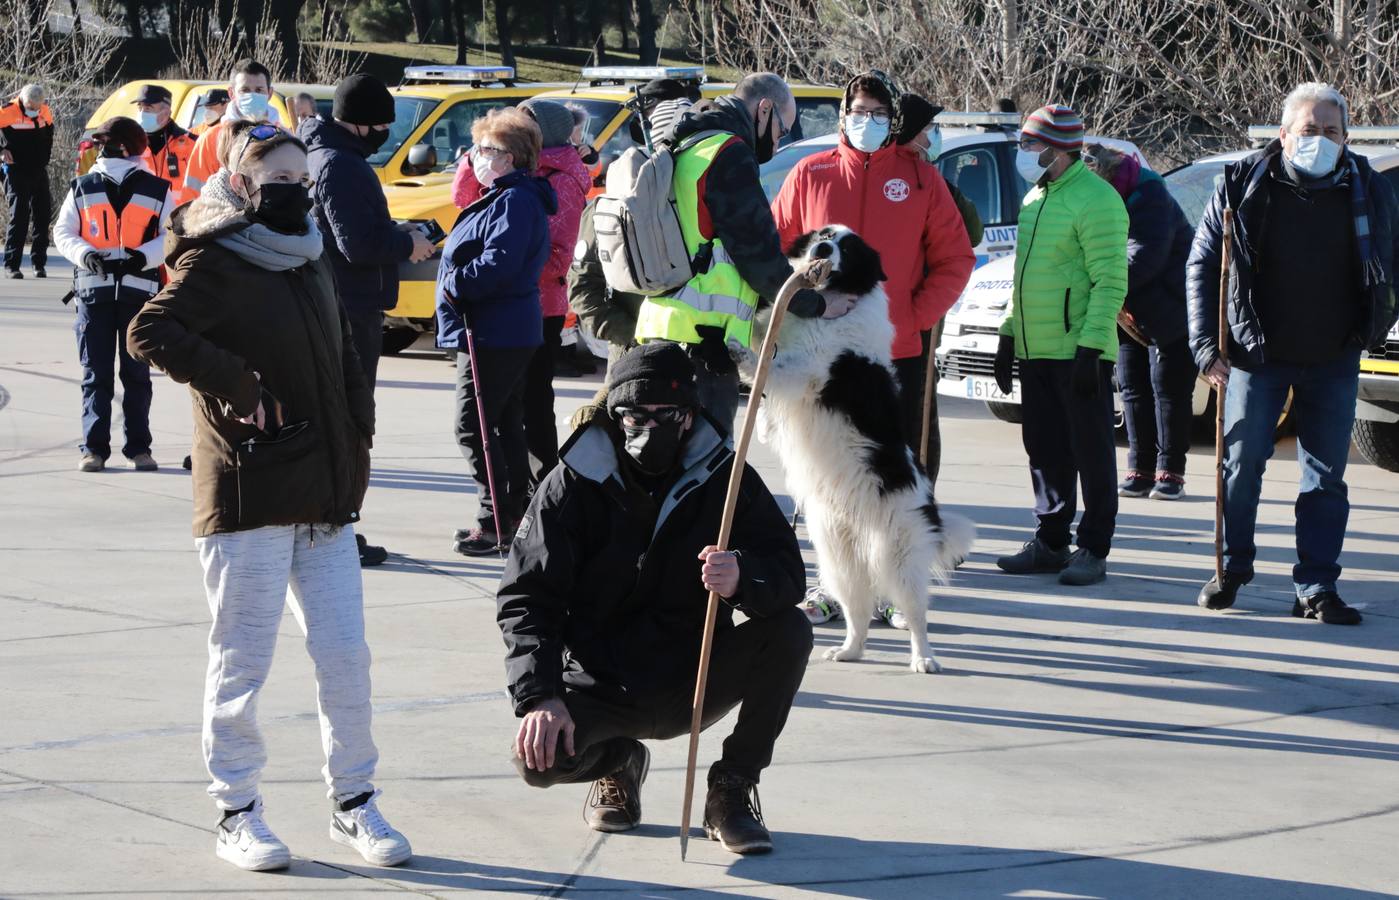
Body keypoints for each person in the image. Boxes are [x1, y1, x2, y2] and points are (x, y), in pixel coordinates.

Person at [127, 120, 411, 872]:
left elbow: (345, 347)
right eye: (279, 180)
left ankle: (354, 802)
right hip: (249, 492)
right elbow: (148, 330)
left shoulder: (310, 255)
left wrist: (358, 432)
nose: (296, 192)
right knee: (242, 664)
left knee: (346, 657)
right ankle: (237, 812)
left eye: (302, 178)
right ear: (245, 185)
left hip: (323, 495)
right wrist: (242, 388)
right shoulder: (216, 257)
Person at [497, 342, 810, 854]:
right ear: (614, 414)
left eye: (668, 414)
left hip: (694, 672)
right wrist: (542, 697)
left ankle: (731, 789)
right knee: (538, 759)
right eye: (635, 415)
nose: (651, 426)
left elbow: (788, 574)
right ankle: (619, 761)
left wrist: (742, 578)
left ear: (690, 416)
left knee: (791, 630)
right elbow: (526, 596)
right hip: (600, 684)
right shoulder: (571, 482)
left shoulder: (726, 479)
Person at [1188, 82, 1398, 625]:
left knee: (1326, 476)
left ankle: (1317, 586)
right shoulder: (1242, 184)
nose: (1320, 141)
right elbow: (1203, 265)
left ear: (1347, 137)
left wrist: (1374, 326)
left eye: (1331, 132)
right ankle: (1232, 569)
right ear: (1283, 135)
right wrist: (1206, 346)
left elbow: (1393, 267)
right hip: (1257, 355)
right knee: (1241, 466)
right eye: (1309, 131)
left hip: (1334, 356)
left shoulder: (1370, 190)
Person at [771, 72, 974, 627]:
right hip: (816, 350)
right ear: (842, 115)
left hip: (894, 351)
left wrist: (913, 315)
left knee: (898, 466)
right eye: (859, 111)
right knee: (823, 473)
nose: (868, 121)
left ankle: (894, 580)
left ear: (892, 121)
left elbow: (956, 259)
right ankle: (833, 584)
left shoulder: (920, 179)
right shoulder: (808, 173)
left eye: (879, 113)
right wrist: (789, 312)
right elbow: (772, 254)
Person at [632, 73, 845, 429]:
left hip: (662, 328)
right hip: (705, 345)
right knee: (707, 464)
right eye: (782, 130)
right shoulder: (729, 154)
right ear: (764, 110)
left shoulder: (690, 143)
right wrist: (818, 305)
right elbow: (759, 258)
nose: (778, 143)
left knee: (664, 459)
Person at [303, 73, 436, 567]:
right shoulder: (342, 165)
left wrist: (392, 229)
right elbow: (356, 245)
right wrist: (407, 243)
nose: (385, 132)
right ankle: (337, 528)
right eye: (381, 123)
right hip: (349, 310)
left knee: (338, 421)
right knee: (350, 424)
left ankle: (331, 522)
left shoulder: (325, 155)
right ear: (360, 124)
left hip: (338, 305)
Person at [992, 104, 1128, 587]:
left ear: (1057, 147)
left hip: (1077, 350)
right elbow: (1023, 278)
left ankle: (1093, 547)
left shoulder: (1097, 200)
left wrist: (1092, 348)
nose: (1024, 152)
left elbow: (1110, 280)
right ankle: (1051, 541)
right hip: (1036, 347)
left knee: (1090, 451)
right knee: (1044, 449)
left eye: (1030, 143)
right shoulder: (1036, 198)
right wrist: (1010, 335)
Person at [451, 99, 591, 486]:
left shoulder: (560, 178)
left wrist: (508, 271)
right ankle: (520, 492)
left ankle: (544, 487)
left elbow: (556, 253)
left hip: (537, 306)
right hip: (505, 305)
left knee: (533, 407)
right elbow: (463, 196)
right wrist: (478, 151)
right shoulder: (513, 173)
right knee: (511, 410)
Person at [436, 108, 556, 556]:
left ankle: (495, 521)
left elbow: (499, 263)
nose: (477, 158)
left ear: (511, 157)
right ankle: (508, 514)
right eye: (478, 149)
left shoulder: (514, 200)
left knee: (475, 427)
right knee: (501, 425)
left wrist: (455, 284)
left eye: (487, 151)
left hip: (496, 331)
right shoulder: (503, 195)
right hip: (496, 328)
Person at [51, 117, 170, 473]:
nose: (101, 149)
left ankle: (139, 449)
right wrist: (85, 254)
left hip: (140, 294)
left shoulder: (158, 188)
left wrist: (143, 256)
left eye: (107, 143)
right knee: (96, 374)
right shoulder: (83, 187)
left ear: (124, 146)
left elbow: (172, 235)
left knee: (137, 376)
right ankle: (94, 449)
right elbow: (63, 231)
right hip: (93, 294)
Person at [1084, 143, 1196, 501]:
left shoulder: (1149, 194)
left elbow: (1145, 255)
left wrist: (1100, 285)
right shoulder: (1099, 200)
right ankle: (1140, 467)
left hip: (1170, 306)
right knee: (1131, 386)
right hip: (1128, 306)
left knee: (1169, 390)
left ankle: (1171, 471)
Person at [184, 59, 281, 197]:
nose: (252, 96)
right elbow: (192, 196)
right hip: (221, 216)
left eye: (259, 90)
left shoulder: (284, 137)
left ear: (270, 93)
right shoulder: (212, 139)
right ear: (231, 93)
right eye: (245, 90)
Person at [0, 84, 53, 279]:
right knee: (19, 214)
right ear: (22, 100)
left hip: (38, 169)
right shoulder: (7, 111)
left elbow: (49, 133)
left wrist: (45, 158)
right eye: (30, 105)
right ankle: (12, 265)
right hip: (14, 170)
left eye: (37, 106)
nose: (34, 109)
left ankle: (39, 263)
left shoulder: (44, 111)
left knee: (43, 215)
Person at [133, 84, 199, 208]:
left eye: (148, 108)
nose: (142, 113)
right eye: (139, 108)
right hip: (141, 220)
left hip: (179, 220)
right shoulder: (130, 145)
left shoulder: (193, 144)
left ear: (166, 112)